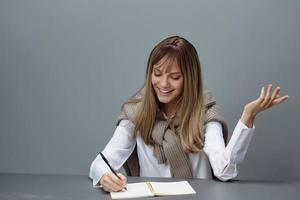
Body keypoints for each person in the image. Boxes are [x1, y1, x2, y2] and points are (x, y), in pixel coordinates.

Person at [89, 36, 289, 192]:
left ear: (189, 79)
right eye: (157, 74)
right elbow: (99, 164)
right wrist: (105, 176)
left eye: (174, 77)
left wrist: (248, 116)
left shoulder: (206, 114)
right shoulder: (136, 113)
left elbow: (225, 171)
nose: (163, 84)